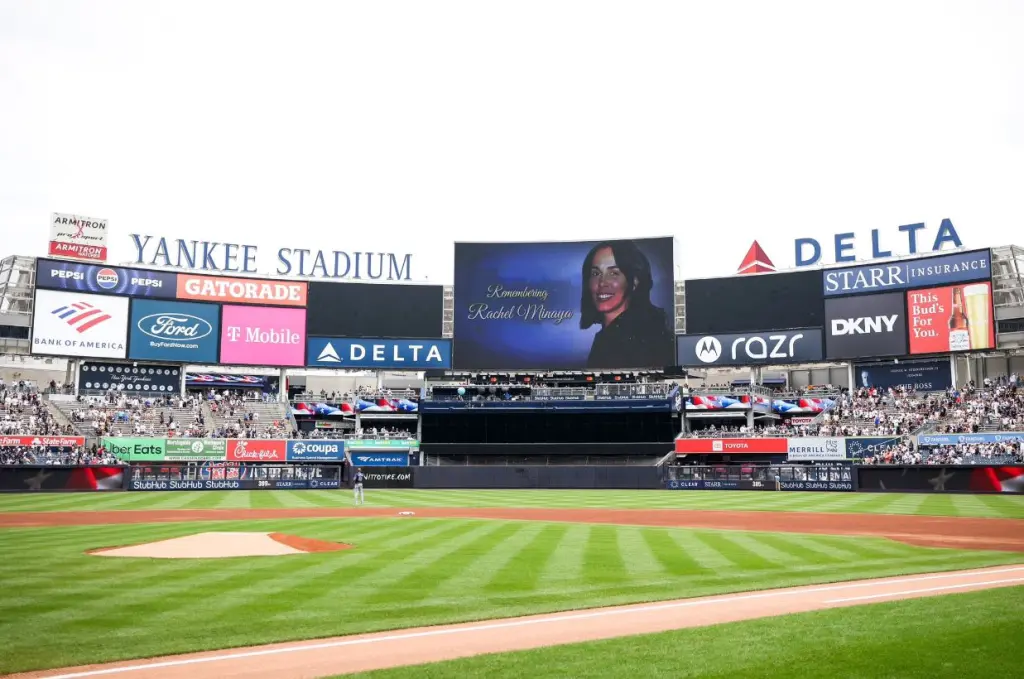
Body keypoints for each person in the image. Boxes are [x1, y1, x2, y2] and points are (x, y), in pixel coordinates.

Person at [579, 240, 673, 369]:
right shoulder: (610, 335)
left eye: (614, 273)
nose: (602, 283)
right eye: (596, 273)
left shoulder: (641, 341)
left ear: (634, 282)